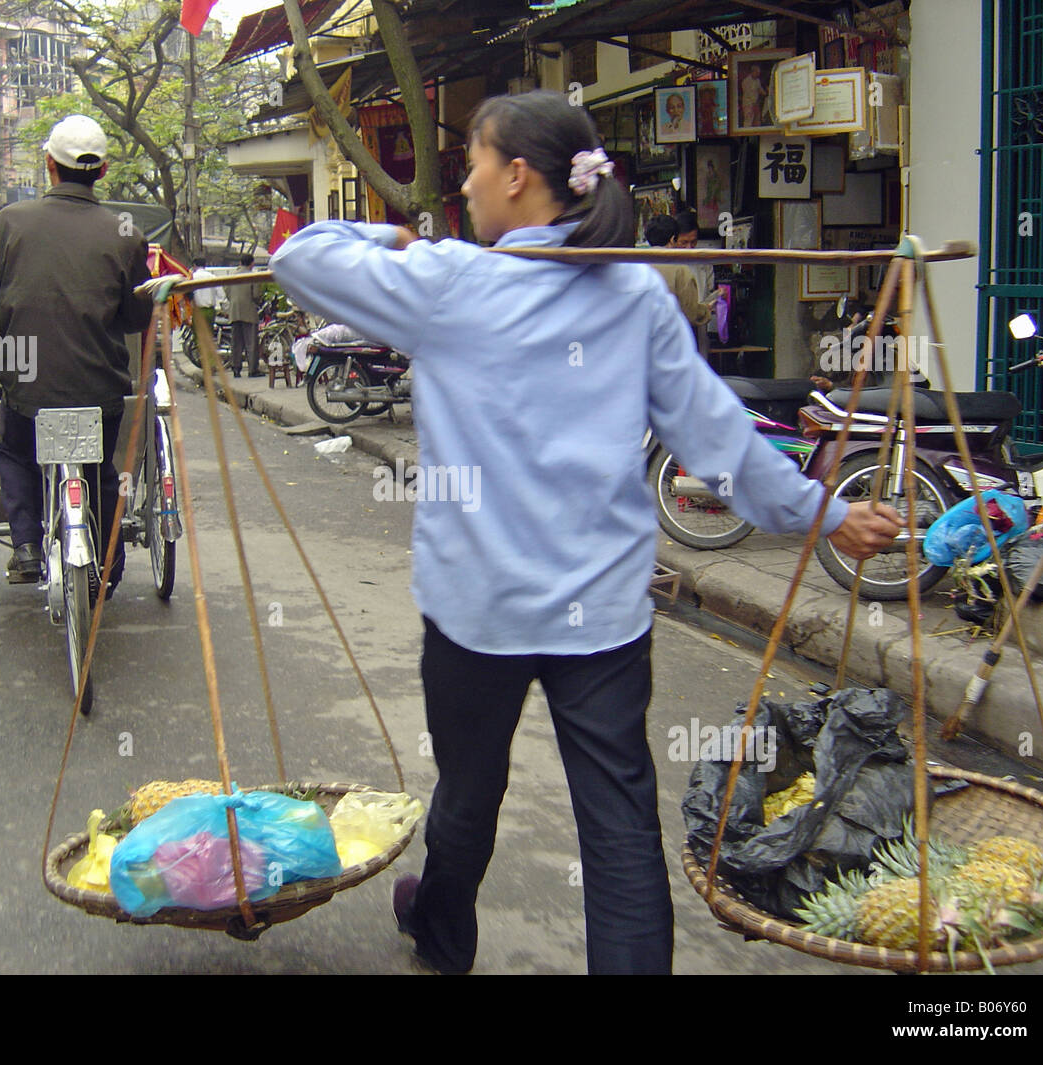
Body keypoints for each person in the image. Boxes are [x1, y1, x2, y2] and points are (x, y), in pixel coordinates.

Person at [270, 89, 901, 975]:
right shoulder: (635, 295)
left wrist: (401, 239)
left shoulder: (448, 282)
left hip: (478, 611)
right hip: (601, 615)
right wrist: (827, 515)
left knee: (469, 791)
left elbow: (299, 257)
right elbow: (718, 442)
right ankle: (449, 919)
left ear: (518, 177)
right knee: (618, 828)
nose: (467, 188)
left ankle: (443, 933)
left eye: (474, 167)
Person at [0, 114, 152, 590]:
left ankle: (25, 545)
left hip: (26, 383)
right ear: (103, 171)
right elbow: (135, 317)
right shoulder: (126, 233)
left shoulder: (9, 221)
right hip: (100, 386)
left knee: (15, 453)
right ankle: (109, 559)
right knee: (100, 471)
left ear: (49, 164)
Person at [644, 213, 714, 348]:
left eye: (693, 242)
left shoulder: (635, 264)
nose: (689, 248)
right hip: (672, 340)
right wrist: (706, 310)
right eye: (683, 242)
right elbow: (691, 313)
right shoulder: (679, 269)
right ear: (672, 239)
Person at [227, 252, 262, 377]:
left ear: (240, 263)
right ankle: (252, 370)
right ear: (252, 264)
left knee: (236, 342)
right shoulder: (253, 277)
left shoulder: (231, 276)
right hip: (249, 311)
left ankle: (236, 369)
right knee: (251, 342)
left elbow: (227, 292)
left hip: (234, 311)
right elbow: (256, 295)